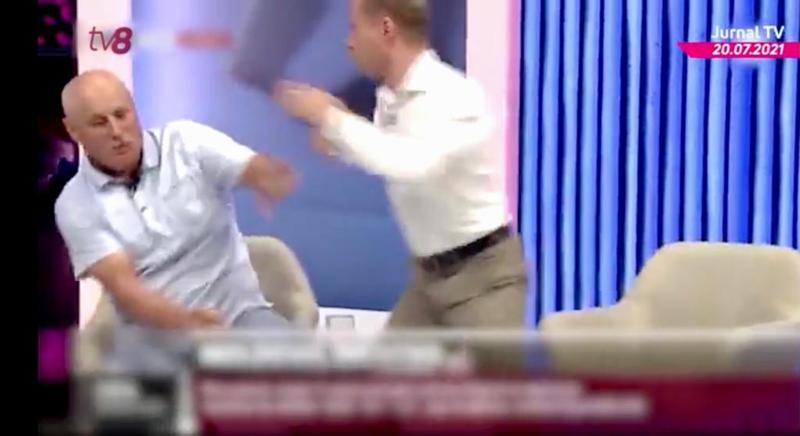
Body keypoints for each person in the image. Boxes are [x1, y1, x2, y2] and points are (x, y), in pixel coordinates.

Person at [274, 0, 528, 329]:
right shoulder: (391, 98)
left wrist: (331, 118)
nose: (349, 43)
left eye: (354, 28)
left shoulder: (451, 93)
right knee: (386, 364)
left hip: (483, 280)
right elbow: (389, 150)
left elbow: (413, 164)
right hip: (428, 279)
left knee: (494, 365)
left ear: (386, 28)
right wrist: (339, 143)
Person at [55, 70, 297, 370]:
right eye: (99, 122)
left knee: (310, 375)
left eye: (121, 115)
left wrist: (264, 175)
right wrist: (188, 323)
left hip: (239, 320)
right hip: (151, 340)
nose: (116, 131)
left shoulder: (186, 141)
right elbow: (127, 291)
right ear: (73, 130)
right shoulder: (75, 203)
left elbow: (247, 165)